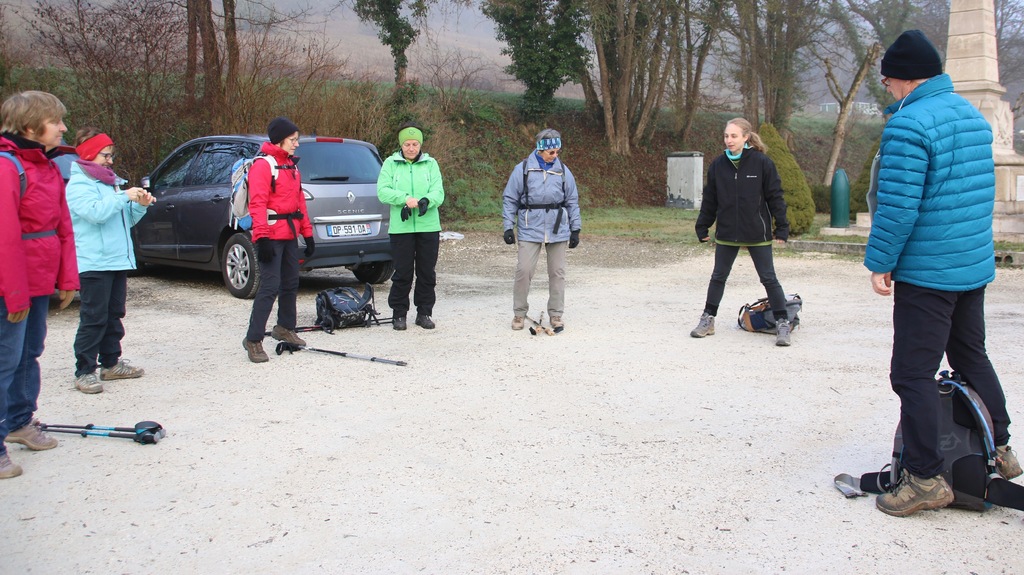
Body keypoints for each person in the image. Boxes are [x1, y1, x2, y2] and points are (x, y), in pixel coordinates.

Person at [865, 29, 1021, 517]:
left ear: (905, 79)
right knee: (971, 354)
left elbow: (898, 207)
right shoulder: (972, 117)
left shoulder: (909, 125)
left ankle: (925, 478)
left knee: (911, 372)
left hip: (928, 272)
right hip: (970, 265)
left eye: (888, 81)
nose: (888, 89)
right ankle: (1000, 447)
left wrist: (881, 262)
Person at [0, 91, 78, 479]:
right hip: (11, 287)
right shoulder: (7, 167)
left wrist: (67, 279)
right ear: (31, 127)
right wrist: (14, 294)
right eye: (55, 121)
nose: (63, 127)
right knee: (5, 361)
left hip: (38, 280)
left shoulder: (46, 165)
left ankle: (19, 421)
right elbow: (6, 236)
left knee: (29, 352)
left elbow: (63, 225)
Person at [66, 128, 154, 394]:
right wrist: (122, 196)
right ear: (89, 154)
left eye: (111, 155)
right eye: (105, 155)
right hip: (94, 261)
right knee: (94, 317)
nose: (110, 160)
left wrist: (140, 205)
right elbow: (95, 214)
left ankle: (111, 363)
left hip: (116, 260)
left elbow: (125, 220)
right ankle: (84, 371)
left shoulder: (110, 183)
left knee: (114, 315)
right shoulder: (78, 186)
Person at [691, 118, 792, 346]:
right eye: (726, 136)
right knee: (718, 276)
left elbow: (775, 197)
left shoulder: (762, 163)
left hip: (757, 232)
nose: (729, 140)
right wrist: (702, 226)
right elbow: (710, 199)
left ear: (746, 137)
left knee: (768, 278)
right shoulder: (718, 165)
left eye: (734, 136)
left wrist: (782, 228)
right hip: (727, 232)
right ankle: (708, 319)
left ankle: (782, 322)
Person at [242, 117, 314, 362]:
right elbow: (257, 203)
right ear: (280, 140)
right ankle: (253, 340)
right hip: (271, 236)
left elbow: (299, 202)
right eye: (293, 140)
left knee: (291, 283)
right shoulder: (263, 166)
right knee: (269, 287)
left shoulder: (291, 166)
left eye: (296, 140)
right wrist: (261, 237)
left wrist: (308, 233)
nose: (296, 144)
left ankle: (285, 328)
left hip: (289, 234)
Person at [501, 129, 581, 331]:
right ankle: (519, 313)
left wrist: (575, 229)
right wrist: (508, 227)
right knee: (524, 270)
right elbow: (510, 199)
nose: (555, 156)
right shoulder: (523, 169)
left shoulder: (563, 170)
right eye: (551, 152)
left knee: (557, 272)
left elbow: (572, 200)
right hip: (530, 226)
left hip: (557, 227)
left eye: (557, 151)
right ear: (540, 149)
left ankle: (556, 314)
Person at [376, 123, 445, 330]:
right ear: (401, 145)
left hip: (428, 226)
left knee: (426, 272)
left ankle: (424, 312)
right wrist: (404, 199)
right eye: (407, 144)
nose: (411, 148)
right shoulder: (390, 164)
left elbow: (438, 192)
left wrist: (426, 201)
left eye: (415, 144)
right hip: (401, 228)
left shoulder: (431, 164)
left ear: (420, 145)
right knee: (402, 273)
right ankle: (399, 314)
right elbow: (383, 191)